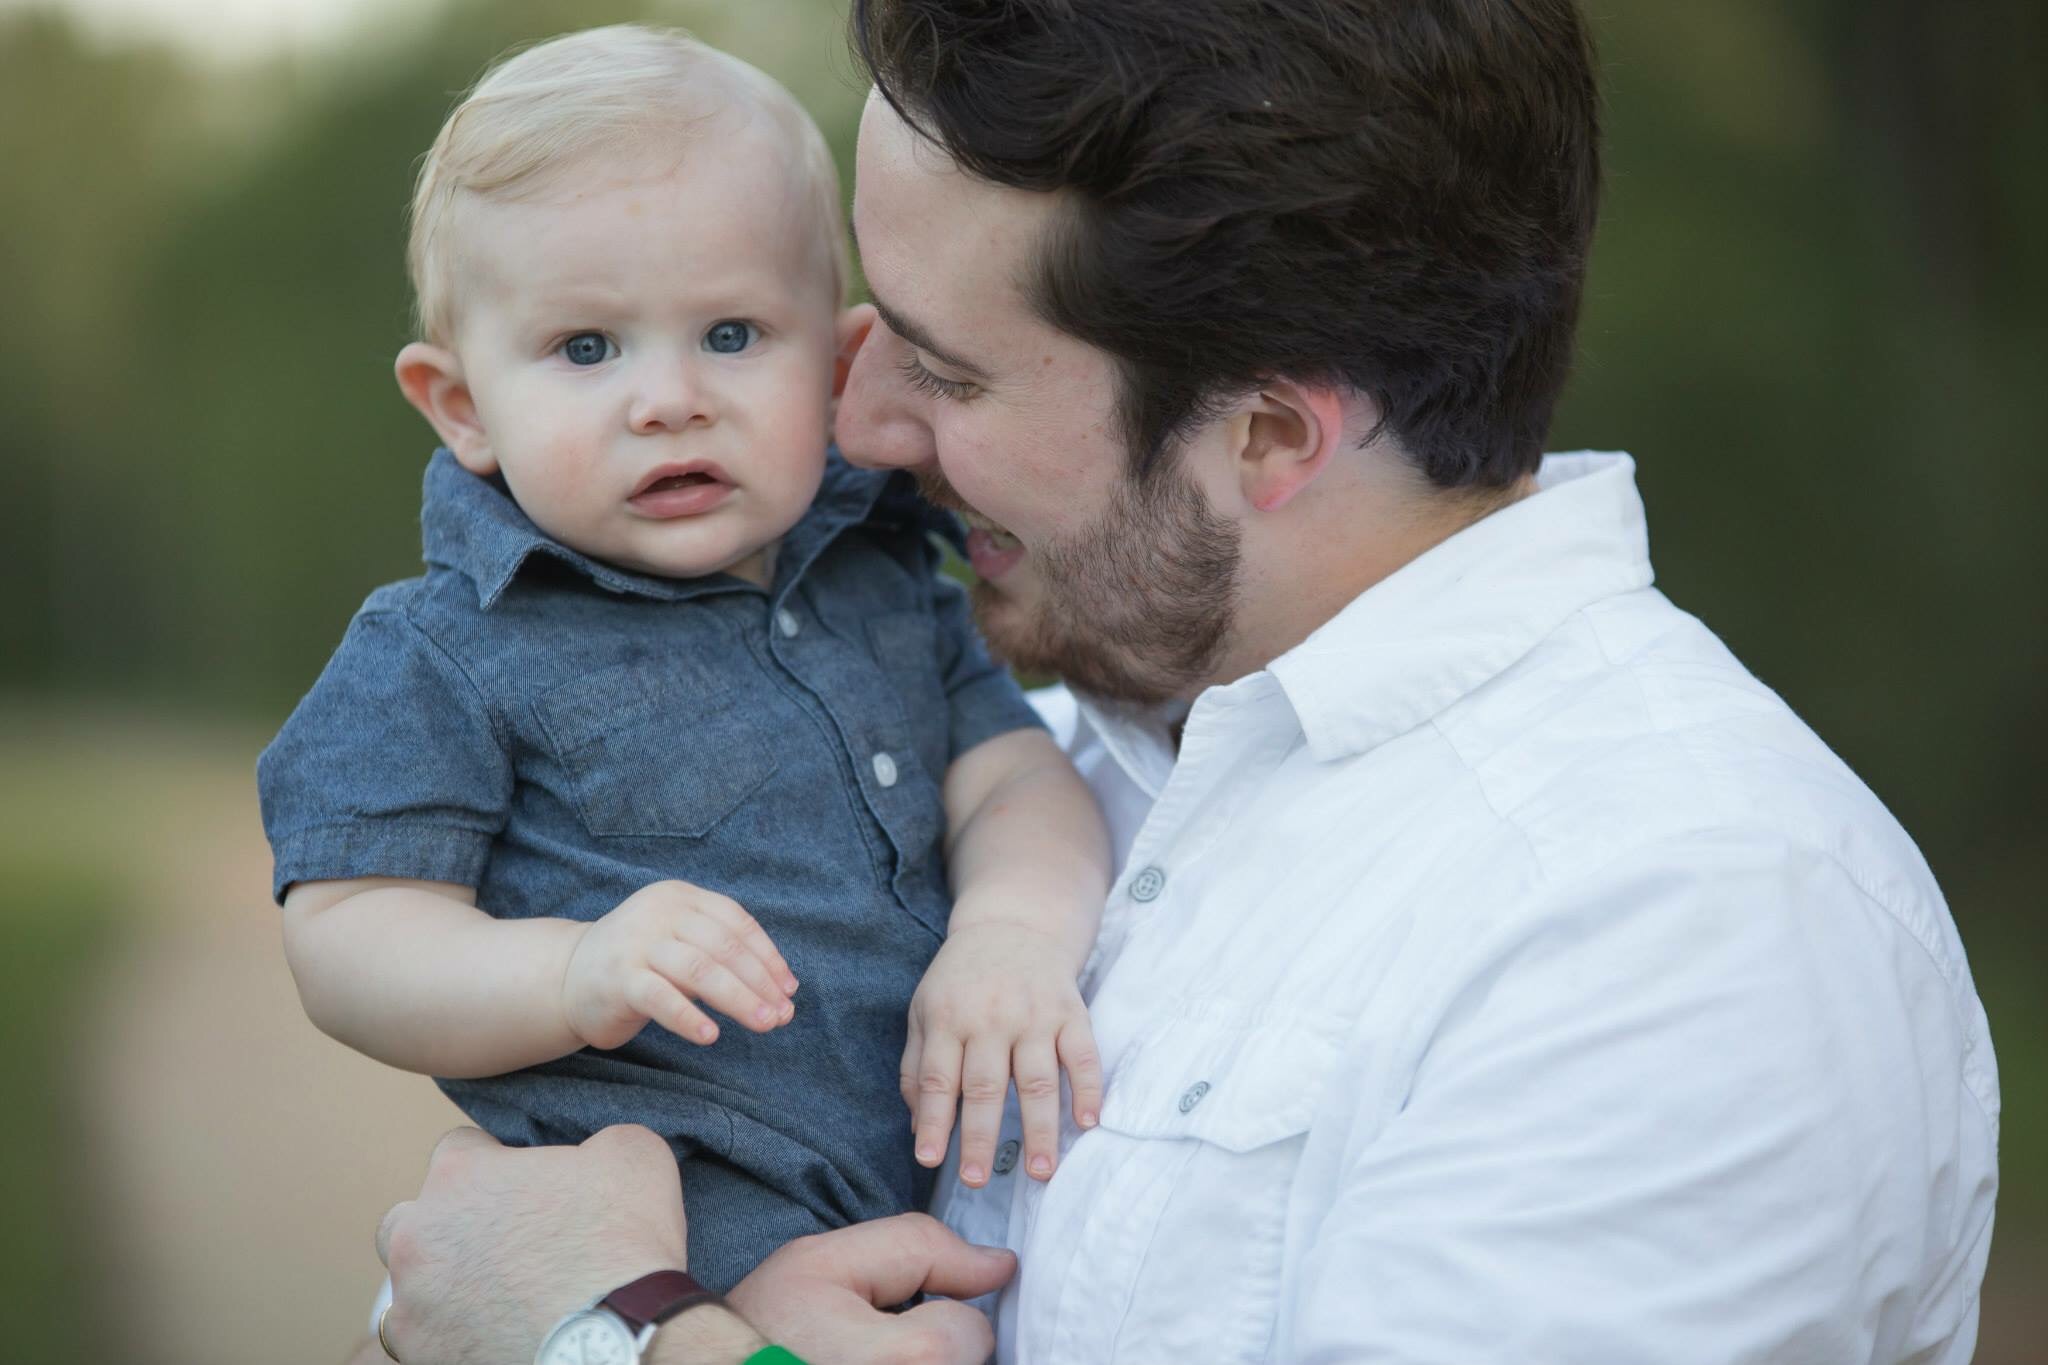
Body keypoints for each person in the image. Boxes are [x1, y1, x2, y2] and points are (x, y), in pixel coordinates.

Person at [369, 2, 2001, 1362]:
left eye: (946, 369)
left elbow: (558, 1302)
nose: (856, 426)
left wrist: (610, 1337)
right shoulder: (1043, 744)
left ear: (1268, 435)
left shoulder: (1677, 936)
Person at [255, 22, 1112, 1307]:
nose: (667, 399)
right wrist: (569, 970)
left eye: (729, 334)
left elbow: (1010, 775)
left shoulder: (879, 572)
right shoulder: (445, 649)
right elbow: (347, 933)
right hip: (671, 1231)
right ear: (463, 406)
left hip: (926, 1202)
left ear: (838, 366)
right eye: (585, 349)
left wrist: (1010, 934)